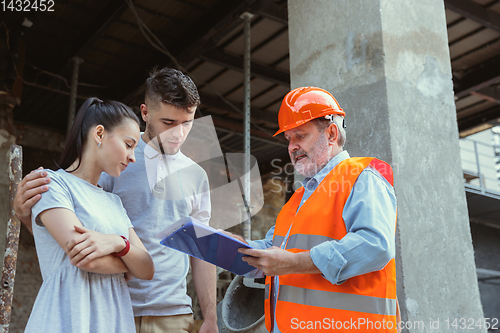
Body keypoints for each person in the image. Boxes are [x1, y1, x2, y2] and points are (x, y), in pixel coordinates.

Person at [15, 68, 218, 333]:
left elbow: (201, 248)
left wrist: (211, 318)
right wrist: (26, 215)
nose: (178, 134)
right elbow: (70, 243)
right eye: (169, 123)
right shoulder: (112, 162)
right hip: (111, 304)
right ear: (145, 112)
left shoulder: (196, 176)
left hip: (173, 311)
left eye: (187, 123)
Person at [233, 87, 399, 332]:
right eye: (288, 139)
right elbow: (276, 249)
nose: (292, 147)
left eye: (300, 135)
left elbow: (375, 244)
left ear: (331, 133)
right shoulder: (299, 198)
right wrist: (235, 247)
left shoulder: (362, 175)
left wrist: (296, 263)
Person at [23, 97, 155, 333]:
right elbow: (86, 259)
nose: (133, 156)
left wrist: (117, 243)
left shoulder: (114, 202)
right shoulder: (54, 185)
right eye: (128, 144)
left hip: (113, 320)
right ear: (100, 134)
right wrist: (128, 264)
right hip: (67, 318)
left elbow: (147, 269)